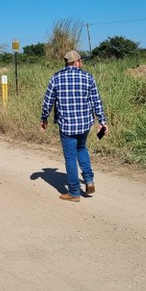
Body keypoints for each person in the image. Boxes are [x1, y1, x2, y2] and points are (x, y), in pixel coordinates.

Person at [39, 50, 108, 202]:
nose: (81, 63)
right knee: (82, 148)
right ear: (76, 62)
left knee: (70, 157)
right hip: (84, 124)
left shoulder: (56, 78)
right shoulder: (88, 77)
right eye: (80, 60)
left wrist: (44, 119)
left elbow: (48, 101)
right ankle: (89, 180)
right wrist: (102, 121)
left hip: (67, 125)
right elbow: (97, 101)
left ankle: (74, 192)